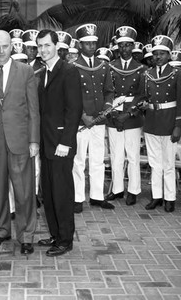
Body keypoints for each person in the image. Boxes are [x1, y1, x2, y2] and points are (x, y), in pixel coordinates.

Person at [0, 30, 39, 255]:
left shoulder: (26, 71)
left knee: (24, 191)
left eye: (5, 46)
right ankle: (2, 230)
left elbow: (33, 109)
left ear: (12, 47)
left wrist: (34, 140)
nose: (1, 51)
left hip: (20, 140)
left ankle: (26, 235)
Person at [36, 29, 82, 257]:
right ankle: (55, 234)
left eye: (47, 45)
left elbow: (74, 110)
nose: (43, 50)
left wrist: (66, 142)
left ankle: (65, 239)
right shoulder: (42, 72)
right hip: (46, 143)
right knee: (50, 191)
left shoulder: (68, 71)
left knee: (62, 192)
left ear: (57, 46)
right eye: (40, 46)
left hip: (61, 145)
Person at [72, 24, 115, 213]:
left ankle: (97, 196)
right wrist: (82, 116)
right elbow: (71, 96)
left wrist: (105, 111)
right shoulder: (72, 67)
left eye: (93, 43)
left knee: (98, 160)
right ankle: (78, 198)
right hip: (81, 123)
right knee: (79, 161)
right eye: (87, 43)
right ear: (80, 45)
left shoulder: (103, 65)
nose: (90, 46)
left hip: (98, 121)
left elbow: (109, 91)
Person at [141, 35, 181, 213]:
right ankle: (156, 196)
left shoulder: (178, 73)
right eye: (155, 54)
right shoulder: (147, 74)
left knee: (168, 163)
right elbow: (145, 97)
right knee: (154, 163)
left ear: (169, 55)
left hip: (169, 122)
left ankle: (170, 198)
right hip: (152, 122)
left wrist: (178, 126)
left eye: (162, 53)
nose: (158, 57)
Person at [105, 26, 146, 206]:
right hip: (113, 115)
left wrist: (128, 113)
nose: (124, 49)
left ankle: (134, 190)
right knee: (116, 155)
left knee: (133, 156)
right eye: (121, 45)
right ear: (117, 47)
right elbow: (106, 91)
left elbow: (143, 95)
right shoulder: (109, 67)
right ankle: (117, 189)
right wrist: (113, 111)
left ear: (133, 46)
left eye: (128, 45)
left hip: (132, 117)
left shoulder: (142, 69)